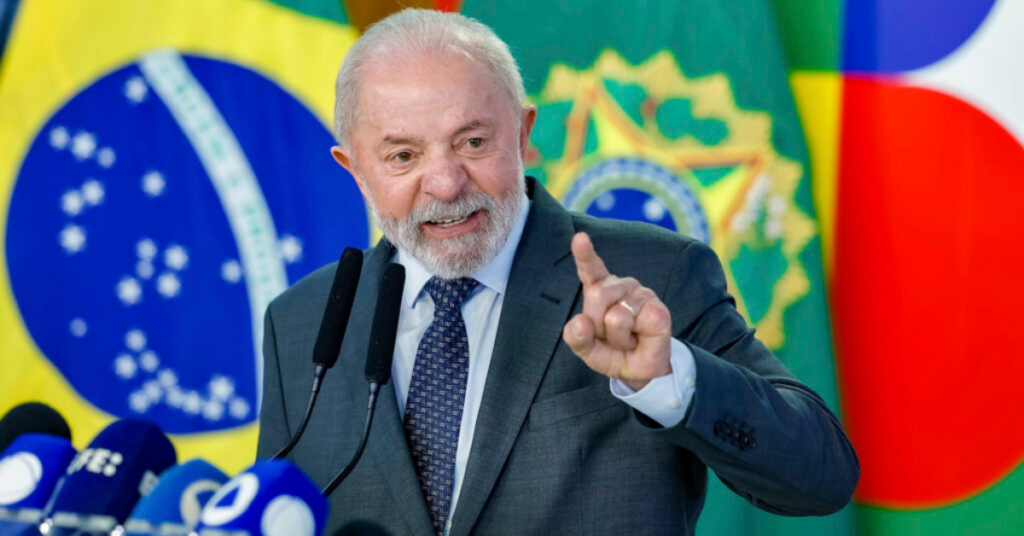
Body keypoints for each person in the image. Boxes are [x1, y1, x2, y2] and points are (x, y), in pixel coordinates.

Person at [256, 9, 858, 536]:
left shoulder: (654, 276)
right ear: (354, 168)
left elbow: (821, 476)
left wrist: (668, 379)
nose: (444, 183)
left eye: (471, 142)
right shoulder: (302, 323)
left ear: (522, 133)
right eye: (403, 156)